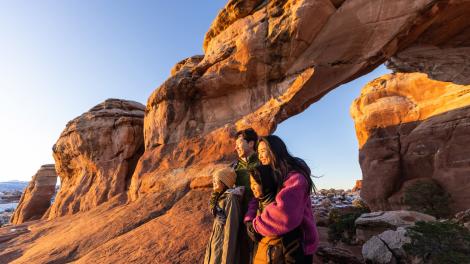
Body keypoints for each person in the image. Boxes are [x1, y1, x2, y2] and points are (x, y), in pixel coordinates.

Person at [244, 135, 319, 263]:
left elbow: (284, 213)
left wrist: (255, 226)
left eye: (263, 151)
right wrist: (249, 220)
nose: (260, 156)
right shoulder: (273, 174)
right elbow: (256, 197)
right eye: (259, 152)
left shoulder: (295, 177)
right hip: (278, 243)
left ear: (275, 150)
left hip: (297, 244)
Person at [204, 167, 244, 264]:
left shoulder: (230, 198)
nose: (213, 181)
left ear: (224, 182)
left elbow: (231, 230)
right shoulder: (218, 199)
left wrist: (226, 259)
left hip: (223, 249)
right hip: (216, 245)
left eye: (216, 179)